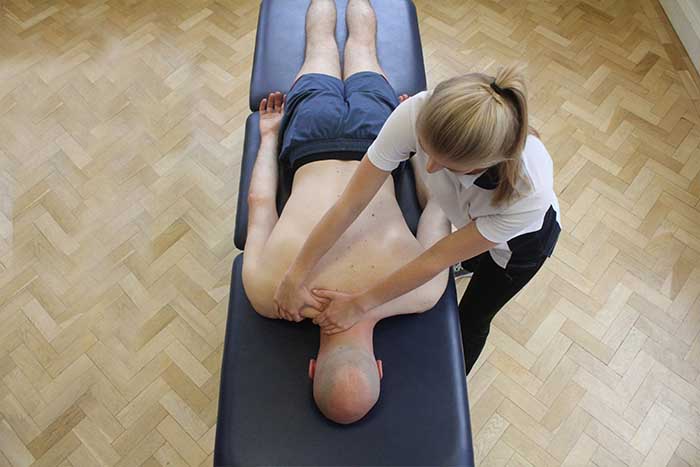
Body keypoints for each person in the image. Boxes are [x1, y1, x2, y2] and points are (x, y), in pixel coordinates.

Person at [275, 7, 562, 376]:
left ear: (486, 162)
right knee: (464, 249)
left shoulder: (525, 196)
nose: (428, 169)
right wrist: (295, 273)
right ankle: (471, 259)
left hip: (521, 247)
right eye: (425, 151)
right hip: (474, 218)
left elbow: (433, 260)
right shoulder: (418, 111)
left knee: (472, 316)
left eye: (446, 165)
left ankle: (450, 386)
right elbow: (350, 204)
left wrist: (360, 304)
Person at [242, 0, 450, 424]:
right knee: (319, 45)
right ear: (313, 368)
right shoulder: (266, 294)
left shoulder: (422, 294)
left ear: (378, 368)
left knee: (363, 47)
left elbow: (438, 207)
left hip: (379, 143)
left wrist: (414, 144)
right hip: (309, 141)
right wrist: (268, 136)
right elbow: (259, 205)